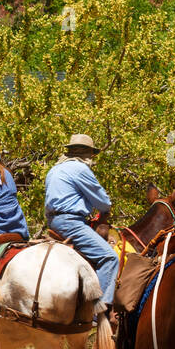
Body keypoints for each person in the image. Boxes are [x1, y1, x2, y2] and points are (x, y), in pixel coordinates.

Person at [44, 133, 119, 310]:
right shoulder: (80, 169)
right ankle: (99, 310)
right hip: (71, 223)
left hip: (53, 222)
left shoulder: (54, 169)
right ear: (88, 154)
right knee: (110, 257)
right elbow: (104, 202)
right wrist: (103, 213)